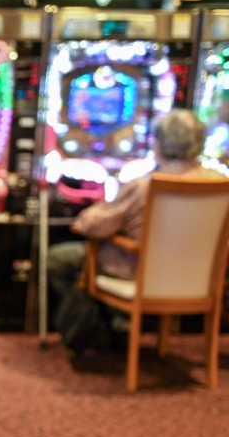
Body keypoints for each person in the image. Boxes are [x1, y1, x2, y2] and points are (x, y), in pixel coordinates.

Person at [47, 110, 226, 303]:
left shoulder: (146, 185)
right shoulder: (222, 183)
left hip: (141, 274)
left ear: (158, 144)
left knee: (57, 259)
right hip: (200, 279)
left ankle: (107, 326)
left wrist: (87, 217)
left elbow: (92, 225)